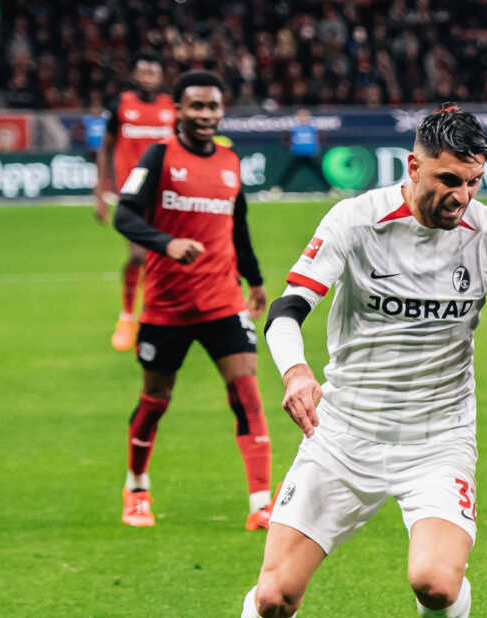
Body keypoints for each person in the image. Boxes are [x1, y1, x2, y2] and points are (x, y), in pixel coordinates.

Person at [190, 106, 487, 618]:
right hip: (344, 433)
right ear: (412, 165)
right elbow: (285, 312)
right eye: (449, 179)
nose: (462, 196)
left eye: (473, 181)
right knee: (274, 595)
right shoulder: (355, 221)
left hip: (438, 437)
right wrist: (297, 370)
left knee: (436, 583)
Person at [111, 70, 271, 530]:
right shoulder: (160, 156)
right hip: (167, 306)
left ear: (222, 112)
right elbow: (124, 214)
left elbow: (237, 225)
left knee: (247, 394)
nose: (205, 115)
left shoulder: (230, 162)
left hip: (223, 300)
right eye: (196, 107)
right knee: (156, 398)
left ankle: (261, 503)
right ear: (177, 110)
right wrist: (166, 243)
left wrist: (255, 279)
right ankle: (136, 488)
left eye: (212, 107)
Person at [95, 53, 176, 352]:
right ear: (134, 75)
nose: (147, 77)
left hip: (167, 193)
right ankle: (127, 316)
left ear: (160, 76)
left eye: (152, 72)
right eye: (142, 72)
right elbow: (105, 148)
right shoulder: (120, 106)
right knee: (139, 256)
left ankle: (155, 316)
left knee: (166, 259)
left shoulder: (172, 108)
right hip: (131, 192)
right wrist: (100, 192)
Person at [272, 109, 331, 194]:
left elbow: (320, 140)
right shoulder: (294, 129)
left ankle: (331, 189)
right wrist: (290, 146)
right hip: (298, 155)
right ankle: (278, 188)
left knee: (320, 173)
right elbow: (286, 140)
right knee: (288, 173)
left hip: (310, 155)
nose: (303, 118)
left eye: (305, 116)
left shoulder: (313, 129)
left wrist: (316, 148)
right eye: (301, 116)